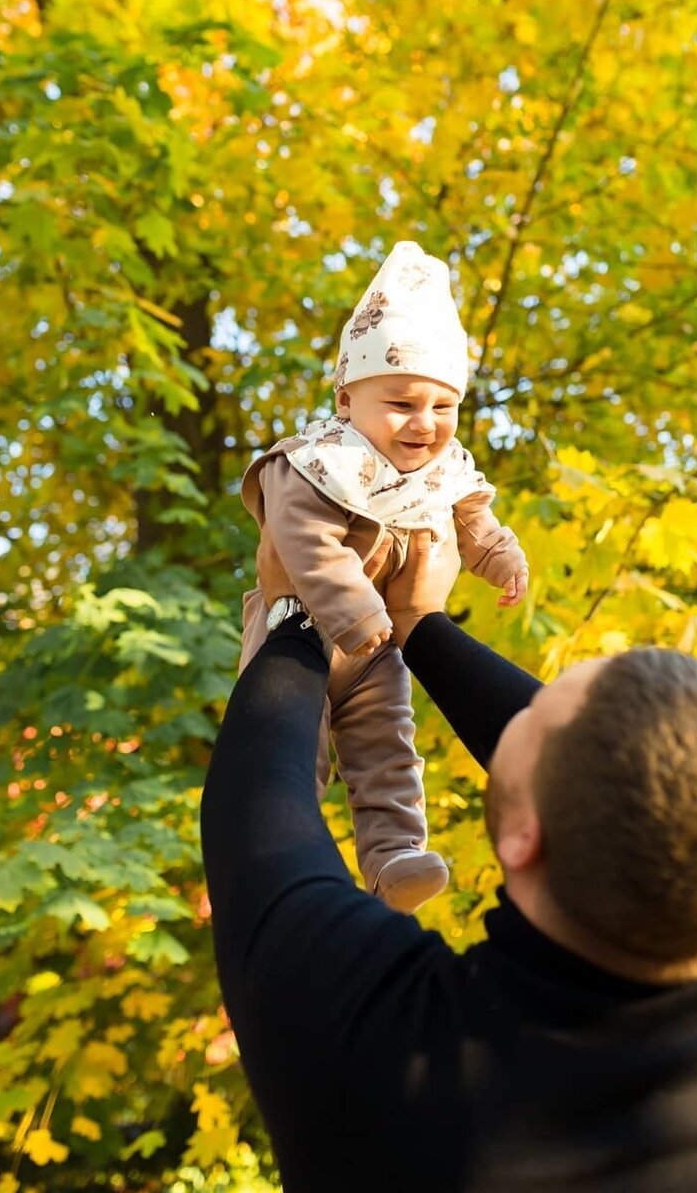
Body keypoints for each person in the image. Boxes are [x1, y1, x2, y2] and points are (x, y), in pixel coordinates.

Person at [200, 529, 697, 1193]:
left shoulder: (395, 1062)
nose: (520, 712)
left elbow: (254, 804)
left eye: (534, 716)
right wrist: (418, 624)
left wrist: (298, 612)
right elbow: (620, 776)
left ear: (524, 835)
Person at [236, 240, 527, 913]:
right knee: (292, 747)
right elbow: (307, 545)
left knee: (387, 747)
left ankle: (395, 857)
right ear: (346, 400)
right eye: (401, 403)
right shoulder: (312, 464)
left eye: (442, 406)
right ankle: (279, 856)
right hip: (302, 631)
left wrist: (500, 556)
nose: (424, 423)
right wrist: (358, 615)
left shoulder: (445, 472)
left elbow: (474, 521)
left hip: (380, 647)